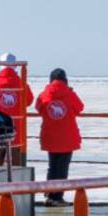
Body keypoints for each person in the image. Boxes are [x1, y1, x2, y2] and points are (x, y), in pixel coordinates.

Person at [35, 68, 84, 206]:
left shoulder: (44, 94)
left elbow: (38, 107)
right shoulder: (69, 94)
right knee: (62, 168)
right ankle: (57, 197)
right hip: (67, 137)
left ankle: (49, 195)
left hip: (50, 136)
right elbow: (80, 107)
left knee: (52, 166)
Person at [0, 52, 34, 155]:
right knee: (16, 164)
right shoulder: (22, 84)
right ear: (15, 65)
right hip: (17, 131)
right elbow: (29, 100)